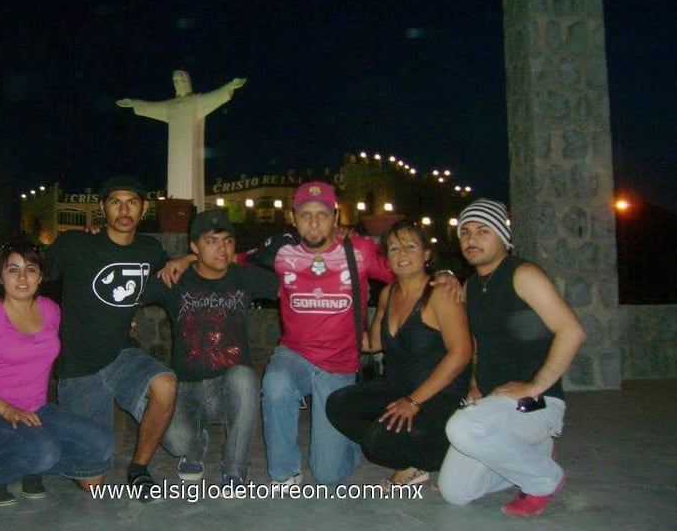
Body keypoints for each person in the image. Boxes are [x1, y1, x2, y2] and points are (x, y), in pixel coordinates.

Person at [0, 175, 177, 502]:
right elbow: (25, 274)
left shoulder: (150, 249)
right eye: (115, 202)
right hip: (79, 369)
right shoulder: (76, 244)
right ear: (102, 208)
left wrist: (189, 257)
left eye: (132, 202)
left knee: (165, 383)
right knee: (92, 483)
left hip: (121, 354)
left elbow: (175, 272)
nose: (124, 209)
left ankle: (139, 470)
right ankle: (29, 456)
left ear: (143, 208)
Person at [238, 181, 396, 487]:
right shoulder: (283, 253)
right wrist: (186, 259)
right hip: (295, 354)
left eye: (322, 214)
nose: (313, 222)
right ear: (293, 218)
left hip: (339, 365)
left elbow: (402, 271)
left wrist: (442, 276)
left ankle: (348, 442)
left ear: (335, 217)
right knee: (276, 381)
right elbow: (226, 259)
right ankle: (284, 471)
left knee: (327, 475)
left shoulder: (359, 251)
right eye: (305, 214)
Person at [438, 199, 586, 517]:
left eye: (482, 230)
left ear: (503, 236)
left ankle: (545, 478)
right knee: (456, 492)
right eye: (465, 232)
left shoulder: (523, 274)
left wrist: (535, 386)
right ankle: (533, 455)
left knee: (461, 428)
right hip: (495, 406)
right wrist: (476, 385)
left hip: (536, 404)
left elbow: (571, 331)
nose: (471, 238)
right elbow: (481, 344)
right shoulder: (473, 287)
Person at [0, 238, 113, 506]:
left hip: (37, 411)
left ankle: (30, 464)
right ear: (0, 278)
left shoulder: (50, 310)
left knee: (101, 442)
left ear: (41, 276)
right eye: (13, 269)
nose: (23, 277)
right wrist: (7, 410)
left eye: (31, 269)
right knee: (44, 452)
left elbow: (85, 326)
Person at [325, 219, 471, 487]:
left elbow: (461, 353)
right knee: (338, 404)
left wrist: (413, 402)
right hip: (397, 387)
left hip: (439, 395)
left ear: (426, 254)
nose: (401, 254)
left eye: (410, 246)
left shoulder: (440, 293)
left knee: (379, 444)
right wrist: (325, 323)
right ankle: (411, 452)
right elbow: (373, 343)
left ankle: (453, 452)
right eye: (393, 249)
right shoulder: (389, 293)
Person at [141, 210, 279, 488]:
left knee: (245, 377)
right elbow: (127, 292)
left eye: (228, 241)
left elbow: (294, 285)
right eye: (211, 241)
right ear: (194, 245)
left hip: (227, 390)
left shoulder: (244, 277)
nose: (222, 248)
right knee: (177, 442)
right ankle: (195, 447)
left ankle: (235, 470)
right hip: (185, 390)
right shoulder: (175, 279)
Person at [116, 71, 246, 208]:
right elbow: (151, 107)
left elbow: (214, 96)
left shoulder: (195, 101)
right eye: (175, 81)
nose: (178, 83)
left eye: (180, 80)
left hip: (190, 150)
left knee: (191, 183)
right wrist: (134, 104)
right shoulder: (170, 105)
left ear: (187, 83)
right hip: (175, 153)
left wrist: (230, 87)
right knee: (175, 186)